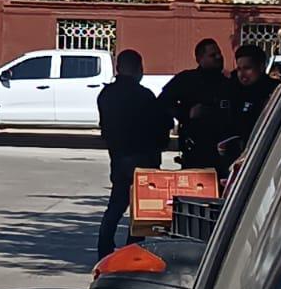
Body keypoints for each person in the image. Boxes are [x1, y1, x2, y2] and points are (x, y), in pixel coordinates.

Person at [96, 49, 171, 260]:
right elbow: (161, 124)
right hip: (143, 157)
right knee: (141, 211)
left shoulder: (106, 95)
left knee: (116, 206)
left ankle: (104, 250)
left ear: (118, 68)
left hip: (119, 157)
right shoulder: (143, 95)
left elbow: (105, 128)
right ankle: (132, 251)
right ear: (139, 69)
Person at [159, 37, 234, 171]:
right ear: (200, 58)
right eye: (212, 55)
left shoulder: (229, 82)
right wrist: (186, 113)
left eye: (219, 54)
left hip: (223, 148)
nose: (218, 57)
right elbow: (163, 102)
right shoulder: (187, 80)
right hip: (195, 147)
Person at [228, 44, 278, 151]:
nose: (242, 74)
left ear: (261, 67)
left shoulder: (275, 91)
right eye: (239, 69)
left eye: (247, 68)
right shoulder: (232, 91)